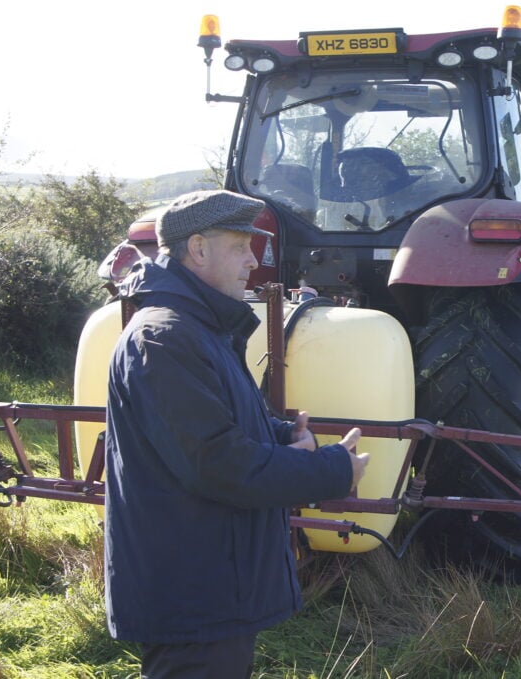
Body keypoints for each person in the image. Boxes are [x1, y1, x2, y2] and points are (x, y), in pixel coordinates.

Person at [103, 189, 369, 678]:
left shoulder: (198, 329)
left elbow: (219, 423)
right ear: (198, 249)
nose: (254, 261)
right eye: (239, 246)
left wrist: (283, 435)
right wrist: (330, 469)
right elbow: (218, 464)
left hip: (209, 577)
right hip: (191, 587)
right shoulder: (164, 338)